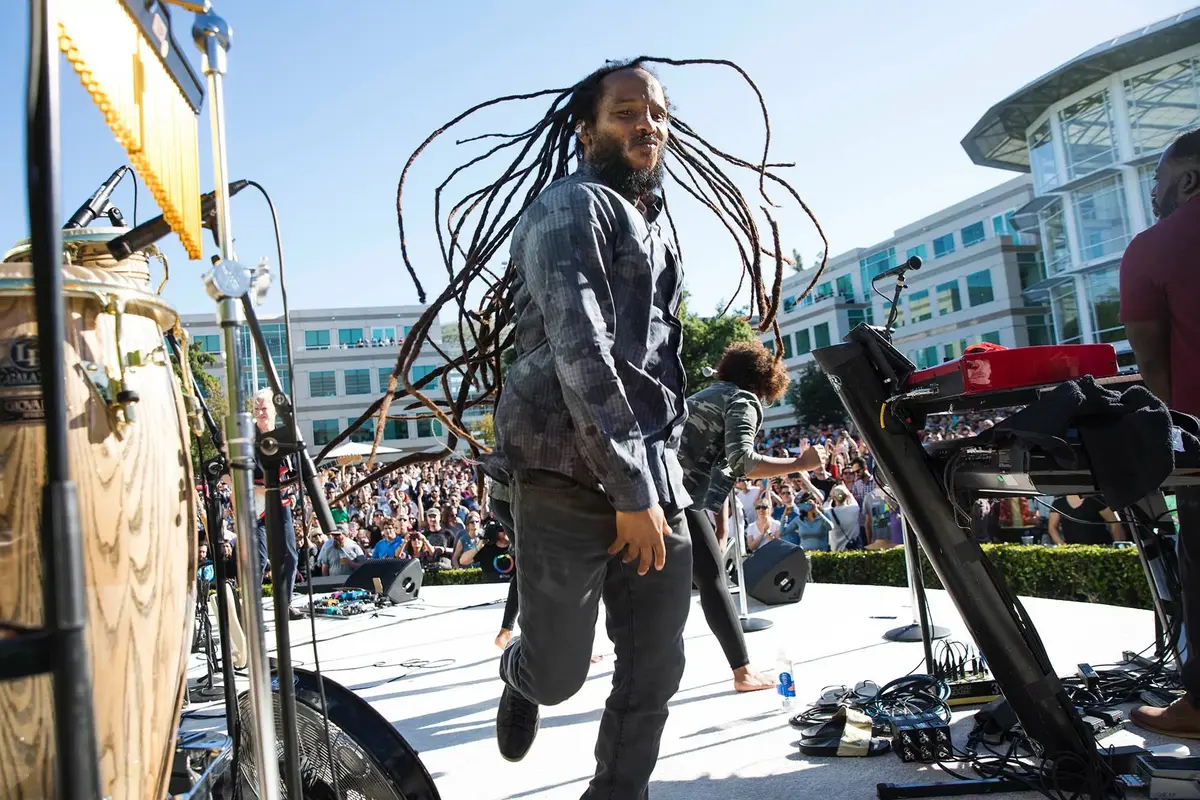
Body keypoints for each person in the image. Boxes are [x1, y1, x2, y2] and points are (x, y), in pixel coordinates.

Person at [483, 62, 695, 795]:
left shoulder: (654, 224)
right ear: (587, 130)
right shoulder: (567, 208)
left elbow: (656, 366)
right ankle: (522, 675)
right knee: (560, 674)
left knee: (655, 664)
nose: (648, 125)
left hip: (652, 478)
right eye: (628, 112)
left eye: (658, 115)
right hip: (566, 475)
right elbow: (582, 349)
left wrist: (665, 480)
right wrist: (631, 490)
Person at [677, 340, 825, 692]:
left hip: (664, 492)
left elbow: (720, 462)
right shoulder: (744, 400)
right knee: (712, 580)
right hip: (679, 496)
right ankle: (743, 673)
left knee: (662, 581)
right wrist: (800, 464)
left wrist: (722, 520)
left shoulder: (710, 394)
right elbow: (742, 460)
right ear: (765, 380)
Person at [1121, 127, 1200, 738]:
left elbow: (1152, 369)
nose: (1152, 193)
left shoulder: (1153, 248)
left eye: (1158, 180)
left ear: (1189, 180)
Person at [251, 390, 303, 620]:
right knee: (259, 559)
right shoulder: (247, 437)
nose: (261, 413)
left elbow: (295, 470)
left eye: (265, 409)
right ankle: (251, 609)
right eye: (257, 408)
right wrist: (255, 490)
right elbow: (226, 472)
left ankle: (285, 604)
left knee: (290, 555)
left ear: (274, 411)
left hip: (281, 503)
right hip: (255, 506)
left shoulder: (285, 436)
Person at [1047, 495, 1124, 545]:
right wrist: (1062, 546)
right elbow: (1052, 527)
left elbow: (1115, 522)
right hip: (1073, 549)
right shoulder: (1058, 503)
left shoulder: (1097, 500)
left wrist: (1117, 544)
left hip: (1101, 546)